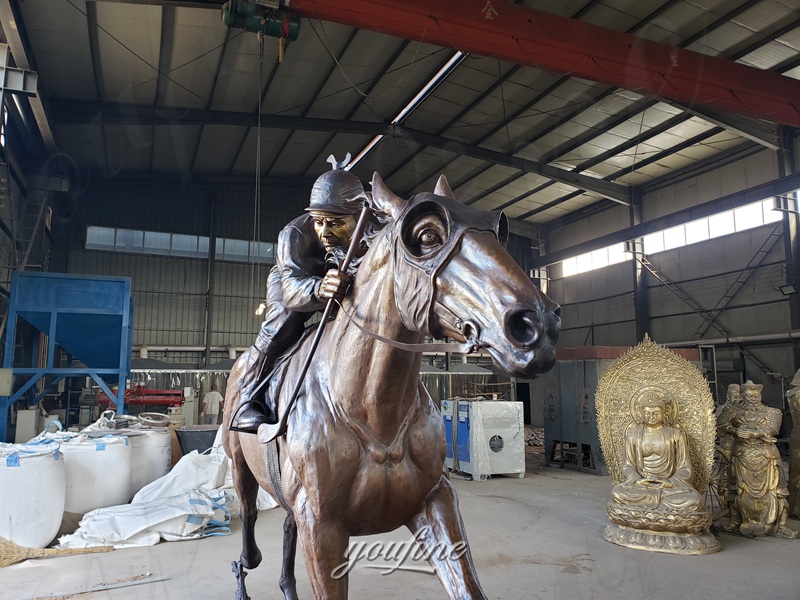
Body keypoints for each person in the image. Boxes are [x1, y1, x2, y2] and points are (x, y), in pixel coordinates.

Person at [229, 158, 370, 434]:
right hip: (294, 278)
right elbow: (293, 291)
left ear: (358, 215)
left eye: (336, 224)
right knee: (284, 322)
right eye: (319, 222)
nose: (326, 232)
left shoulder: (372, 227)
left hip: (342, 274)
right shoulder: (293, 235)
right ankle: (248, 396)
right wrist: (318, 288)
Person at [610, 387, 706, 513]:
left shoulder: (675, 435)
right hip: (642, 485)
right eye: (647, 413)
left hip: (669, 487)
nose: (651, 417)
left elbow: (685, 468)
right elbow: (627, 466)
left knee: (694, 499)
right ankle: (665, 517)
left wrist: (669, 482)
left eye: (655, 413)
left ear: (664, 413)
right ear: (641, 414)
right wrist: (639, 480)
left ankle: (640, 514)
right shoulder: (633, 435)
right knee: (618, 493)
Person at [724, 380, 797, 538]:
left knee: (778, 490)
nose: (752, 399)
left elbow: (772, 428)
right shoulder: (733, 411)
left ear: (760, 395)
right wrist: (735, 430)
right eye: (748, 396)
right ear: (742, 396)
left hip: (766, 454)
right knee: (737, 489)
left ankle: (781, 525)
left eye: (755, 396)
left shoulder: (772, 412)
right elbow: (722, 425)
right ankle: (736, 521)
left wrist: (754, 434)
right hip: (741, 454)